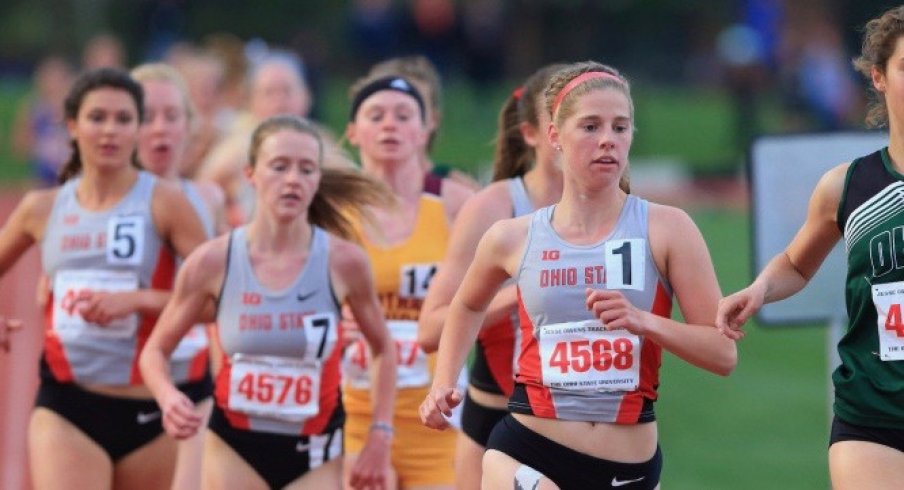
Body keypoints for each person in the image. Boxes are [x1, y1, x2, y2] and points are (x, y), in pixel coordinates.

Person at [419, 61, 737, 490]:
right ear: (554, 136)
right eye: (590, 127)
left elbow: (722, 354)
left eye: (620, 127)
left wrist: (644, 322)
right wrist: (443, 382)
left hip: (629, 465)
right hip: (528, 448)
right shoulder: (513, 236)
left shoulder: (668, 228)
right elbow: (467, 303)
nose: (608, 140)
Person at [139, 115, 397, 490]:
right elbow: (154, 352)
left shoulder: (345, 262)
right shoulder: (213, 262)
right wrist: (168, 397)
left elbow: (383, 349)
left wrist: (380, 432)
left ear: (317, 180)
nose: (293, 179)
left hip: (316, 448)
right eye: (279, 167)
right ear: (250, 174)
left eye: (307, 169)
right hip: (234, 446)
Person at [716, 6, 904, 489]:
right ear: (879, 78)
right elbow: (797, 266)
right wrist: (760, 289)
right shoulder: (846, 186)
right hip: (875, 415)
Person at [0, 68, 208, 489]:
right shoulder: (42, 208)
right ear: (73, 126)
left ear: (137, 128)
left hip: (153, 411)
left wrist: (136, 301)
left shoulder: (166, 203)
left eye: (124, 119)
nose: (110, 131)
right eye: (97, 118)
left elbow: (221, 300)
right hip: (69, 405)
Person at [417, 64, 565, 490]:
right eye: (567, 121)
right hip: (500, 418)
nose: (583, 136)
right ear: (533, 133)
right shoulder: (495, 208)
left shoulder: (625, 213)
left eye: (599, 124)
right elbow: (431, 329)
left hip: (591, 422)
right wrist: (522, 292)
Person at [342, 74, 473, 489]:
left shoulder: (457, 204)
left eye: (403, 115)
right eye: (375, 115)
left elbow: (504, 293)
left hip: (438, 415)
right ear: (352, 132)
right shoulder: (329, 209)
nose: (389, 125)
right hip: (353, 412)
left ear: (425, 129)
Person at [132, 62, 227, 490]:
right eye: (147, 117)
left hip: (189, 381)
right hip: (107, 385)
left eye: (172, 117)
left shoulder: (207, 198)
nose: (160, 129)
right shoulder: (90, 203)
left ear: (190, 126)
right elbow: (52, 298)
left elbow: (225, 295)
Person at [367, 56, 480, 191]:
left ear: (433, 119)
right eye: (378, 114)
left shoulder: (460, 192)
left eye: (404, 113)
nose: (391, 122)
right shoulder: (349, 190)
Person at [11, 54, 75, 187]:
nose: (54, 84)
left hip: (71, 177)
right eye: (49, 79)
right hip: (43, 178)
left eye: (58, 79)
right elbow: (18, 145)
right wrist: (42, 149)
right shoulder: (34, 109)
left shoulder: (77, 109)